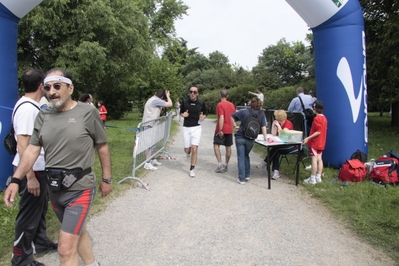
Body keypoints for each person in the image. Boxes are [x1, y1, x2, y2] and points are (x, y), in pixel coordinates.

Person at [3, 69, 113, 266]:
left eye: (57, 86)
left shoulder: (87, 112)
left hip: (80, 188)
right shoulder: (43, 115)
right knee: (78, 231)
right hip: (55, 189)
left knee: (65, 249)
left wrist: (107, 178)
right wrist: (17, 179)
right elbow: (30, 150)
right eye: (47, 87)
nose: (51, 91)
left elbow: (102, 145)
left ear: (70, 88)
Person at [8, 69, 57, 266]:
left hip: (38, 167)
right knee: (28, 214)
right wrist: (30, 177)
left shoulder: (30, 105)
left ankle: (40, 241)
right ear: (40, 86)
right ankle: (21, 257)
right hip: (32, 169)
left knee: (39, 208)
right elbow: (23, 145)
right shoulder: (29, 109)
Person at [231, 97, 267, 184]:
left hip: (240, 137)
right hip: (251, 138)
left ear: (251, 104)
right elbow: (263, 127)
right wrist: (265, 138)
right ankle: (247, 175)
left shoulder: (244, 112)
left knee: (241, 157)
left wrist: (235, 126)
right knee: (246, 155)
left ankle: (241, 178)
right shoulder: (262, 114)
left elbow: (232, 116)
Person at [256, 110, 297, 180]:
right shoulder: (278, 123)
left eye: (276, 117)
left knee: (276, 149)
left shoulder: (288, 124)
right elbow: (273, 134)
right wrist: (273, 125)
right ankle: (276, 172)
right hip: (282, 145)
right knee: (276, 151)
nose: (275, 118)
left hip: (291, 145)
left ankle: (265, 162)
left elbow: (283, 135)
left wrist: (278, 126)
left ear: (279, 117)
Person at [142, 89, 173, 170]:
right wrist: (168, 96)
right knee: (150, 144)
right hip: (149, 124)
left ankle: (152, 159)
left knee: (153, 143)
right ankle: (147, 163)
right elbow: (170, 104)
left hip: (152, 124)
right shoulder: (156, 100)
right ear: (162, 96)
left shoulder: (153, 99)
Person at [180, 86, 207, 178]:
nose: (192, 93)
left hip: (196, 127)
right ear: (189, 93)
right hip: (186, 127)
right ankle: (188, 153)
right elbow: (181, 112)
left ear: (197, 93)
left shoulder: (201, 103)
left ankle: (192, 169)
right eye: (191, 92)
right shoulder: (185, 101)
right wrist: (183, 114)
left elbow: (205, 113)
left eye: (195, 92)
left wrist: (203, 117)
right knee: (187, 149)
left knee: (194, 148)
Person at [303, 100, 328, 184]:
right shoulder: (324, 118)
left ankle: (312, 178)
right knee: (320, 159)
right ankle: (318, 176)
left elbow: (318, 131)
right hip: (321, 142)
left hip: (315, 142)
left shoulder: (317, 118)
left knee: (314, 160)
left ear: (315, 108)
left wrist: (308, 138)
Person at [213, 89, 236, 173]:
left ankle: (220, 164)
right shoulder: (232, 105)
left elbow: (221, 117)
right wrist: (234, 125)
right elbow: (233, 117)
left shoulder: (220, 105)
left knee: (216, 145)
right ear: (227, 96)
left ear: (220, 95)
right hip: (229, 129)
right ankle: (226, 164)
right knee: (228, 147)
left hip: (222, 128)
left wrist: (220, 129)